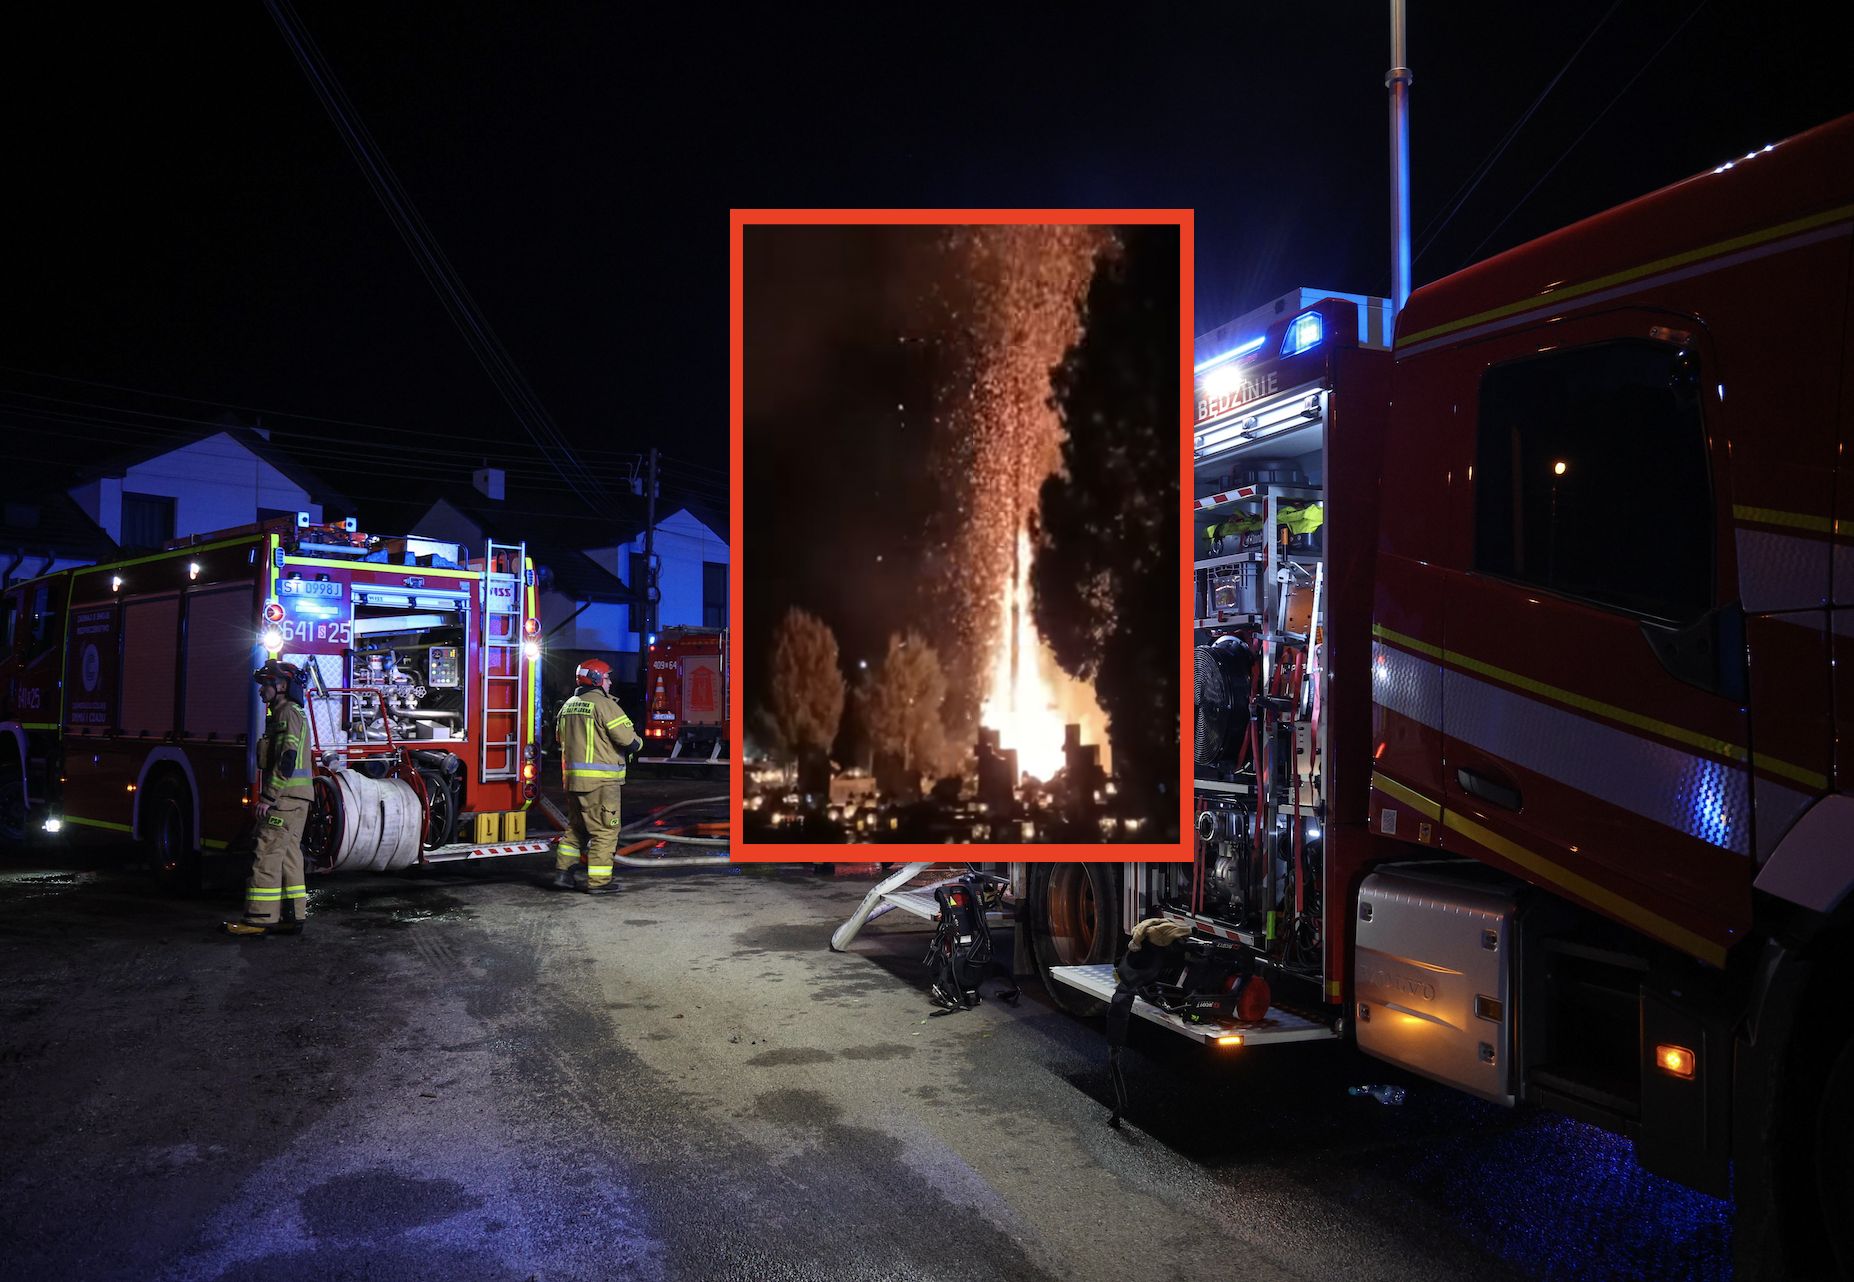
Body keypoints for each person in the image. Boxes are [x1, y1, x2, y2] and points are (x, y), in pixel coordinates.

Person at [223, 659, 313, 937]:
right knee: (288, 855)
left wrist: (268, 796)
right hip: (297, 799)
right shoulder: (289, 712)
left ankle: (259, 918)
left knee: (266, 853)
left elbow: (286, 758)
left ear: (282, 686)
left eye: (267, 684)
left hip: (285, 799)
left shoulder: (287, 713)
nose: (262, 690)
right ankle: (292, 916)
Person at [553, 658, 641, 894]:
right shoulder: (604, 705)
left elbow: (559, 739)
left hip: (572, 781)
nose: (610, 682)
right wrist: (638, 744)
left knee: (576, 828)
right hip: (601, 782)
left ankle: (563, 875)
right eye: (606, 678)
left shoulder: (568, 705)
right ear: (595, 680)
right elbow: (628, 740)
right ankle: (599, 882)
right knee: (605, 831)